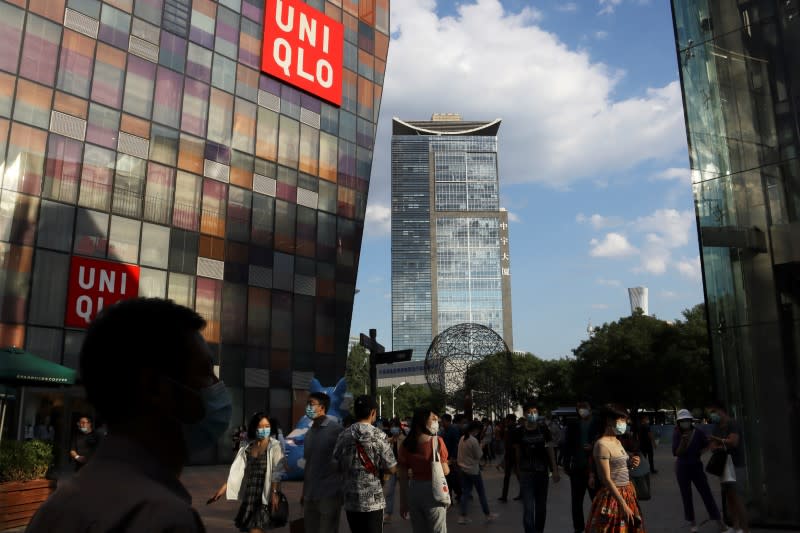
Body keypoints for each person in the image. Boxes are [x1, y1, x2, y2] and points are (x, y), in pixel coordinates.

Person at [27, 298, 230, 532]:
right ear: (155, 387)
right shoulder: (164, 518)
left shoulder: (52, 510)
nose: (216, 385)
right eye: (205, 372)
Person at [208, 412, 286, 532]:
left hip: (265, 495)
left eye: (267, 426)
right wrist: (223, 489)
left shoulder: (275, 446)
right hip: (250, 495)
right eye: (260, 426)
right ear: (254, 428)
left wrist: (275, 492)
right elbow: (238, 473)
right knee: (249, 528)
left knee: (255, 528)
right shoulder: (247, 448)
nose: (264, 429)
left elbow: (277, 472)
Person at [333, 395, 397, 533]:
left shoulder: (344, 435)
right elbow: (392, 468)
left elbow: (335, 464)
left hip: (351, 499)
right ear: (373, 412)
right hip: (373, 501)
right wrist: (383, 473)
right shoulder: (379, 435)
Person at [585, 405, 645, 533]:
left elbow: (621, 467)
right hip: (613, 497)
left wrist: (633, 462)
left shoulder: (617, 441)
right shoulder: (602, 444)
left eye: (625, 420)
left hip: (627, 492)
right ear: (608, 420)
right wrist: (622, 504)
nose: (624, 423)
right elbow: (606, 478)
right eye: (621, 420)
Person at [672, 409, 730, 533]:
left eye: (686, 420)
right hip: (682, 468)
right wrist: (683, 441)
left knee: (706, 493)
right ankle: (692, 522)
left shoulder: (698, 432)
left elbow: (707, 444)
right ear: (678, 422)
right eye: (682, 421)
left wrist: (701, 452)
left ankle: (719, 522)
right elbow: (677, 453)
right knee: (686, 495)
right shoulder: (677, 433)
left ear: (690, 421)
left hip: (697, 467)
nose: (685, 422)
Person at [397, 407, 450, 533]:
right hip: (433, 491)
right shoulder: (437, 442)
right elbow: (445, 471)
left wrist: (403, 503)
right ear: (423, 421)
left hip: (414, 491)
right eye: (433, 419)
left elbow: (403, 478)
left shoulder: (406, 444)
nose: (436, 422)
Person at [514, 399, 560, 533]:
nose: (532, 414)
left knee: (541, 507)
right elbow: (517, 453)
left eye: (535, 412)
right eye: (529, 412)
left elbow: (550, 450)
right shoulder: (519, 432)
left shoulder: (544, 429)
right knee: (528, 508)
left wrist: (555, 470)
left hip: (542, 473)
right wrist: (517, 471)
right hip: (526, 473)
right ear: (524, 414)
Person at [302, 392, 343, 533]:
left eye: (311, 404)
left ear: (322, 407)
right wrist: (304, 492)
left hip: (329, 494)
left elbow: (345, 461)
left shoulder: (335, 430)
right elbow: (308, 464)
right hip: (310, 494)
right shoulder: (309, 433)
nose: (307, 407)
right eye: (307, 403)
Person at [708, 402, 749, 533]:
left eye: (714, 412)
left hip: (736, 465)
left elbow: (734, 442)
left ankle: (745, 529)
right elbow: (713, 447)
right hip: (723, 466)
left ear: (721, 411)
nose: (712, 415)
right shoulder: (716, 426)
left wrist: (717, 441)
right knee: (729, 498)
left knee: (738, 498)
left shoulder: (733, 424)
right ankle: (736, 527)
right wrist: (722, 444)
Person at [562, 400, 601, 533]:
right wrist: (566, 464)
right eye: (579, 408)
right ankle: (578, 528)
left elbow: (604, 440)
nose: (582, 410)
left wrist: (593, 445)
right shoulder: (573, 424)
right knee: (576, 502)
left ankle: (597, 526)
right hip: (577, 468)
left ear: (590, 408)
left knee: (596, 500)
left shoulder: (598, 423)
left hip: (594, 469)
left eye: (584, 407)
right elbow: (566, 445)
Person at [457, 420, 499, 524]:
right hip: (473, 470)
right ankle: (487, 514)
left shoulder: (462, 438)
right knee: (481, 493)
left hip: (463, 469)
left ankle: (462, 516)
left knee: (465, 493)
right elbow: (479, 456)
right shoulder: (473, 440)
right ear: (476, 430)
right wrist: (481, 446)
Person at [383, 418, 405, 524]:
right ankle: (388, 514)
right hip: (392, 468)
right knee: (389, 491)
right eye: (392, 427)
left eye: (394, 426)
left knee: (404, 491)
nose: (393, 429)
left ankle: (407, 510)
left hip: (402, 468)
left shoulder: (404, 439)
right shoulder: (389, 440)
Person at [441, 413, 463, 504]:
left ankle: (460, 494)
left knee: (453, 478)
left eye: (443, 421)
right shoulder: (443, 431)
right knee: (447, 479)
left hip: (452, 459)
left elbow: (457, 444)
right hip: (446, 459)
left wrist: (453, 457)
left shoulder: (453, 430)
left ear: (448, 421)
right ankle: (450, 497)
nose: (442, 423)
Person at [498, 413, 521, 502]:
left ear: (510, 420)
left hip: (513, 455)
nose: (506, 422)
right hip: (511, 455)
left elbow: (515, 445)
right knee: (512, 476)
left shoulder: (513, 430)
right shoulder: (511, 429)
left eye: (507, 420)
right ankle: (505, 495)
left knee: (511, 476)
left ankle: (505, 496)